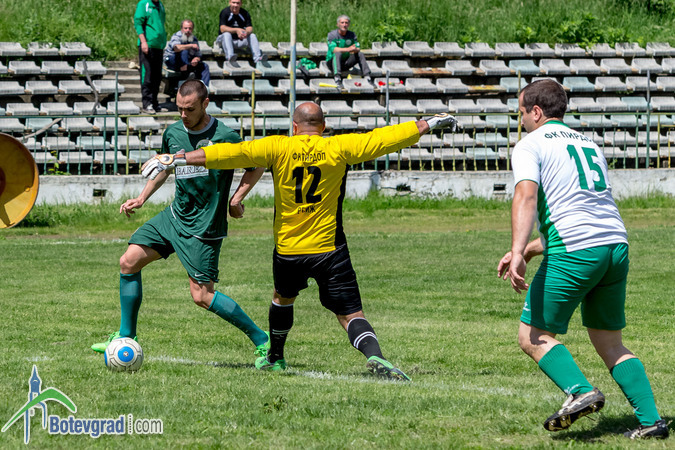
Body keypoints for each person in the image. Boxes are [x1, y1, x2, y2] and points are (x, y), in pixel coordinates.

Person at [141, 103, 458, 380]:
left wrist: (175, 159)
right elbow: (387, 138)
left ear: (294, 127)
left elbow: (226, 153)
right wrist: (428, 123)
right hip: (329, 249)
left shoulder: (277, 147)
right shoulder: (339, 147)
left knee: (282, 298)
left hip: (289, 250)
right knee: (351, 314)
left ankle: (275, 357)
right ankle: (376, 356)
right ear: (324, 126)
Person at [497, 79, 668, 440]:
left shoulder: (530, 144)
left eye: (521, 113)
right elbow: (582, 211)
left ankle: (579, 391)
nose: (521, 120)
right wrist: (528, 250)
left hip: (575, 250)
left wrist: (517, 248)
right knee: (610, 342)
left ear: (536, 112)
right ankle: (652, 422)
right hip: (614, 246)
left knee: (532, 335)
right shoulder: (588, 143)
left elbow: (526, 197)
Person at [91, 80, 269, 360]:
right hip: (175, 216)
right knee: (128, 262)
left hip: (204, 226)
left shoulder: (225, 136)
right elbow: (166, 167)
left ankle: (262, 339)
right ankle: (126, 335)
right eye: (180, 109)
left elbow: (256, 164)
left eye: (190, 109)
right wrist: (142, 197)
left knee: (202, 296)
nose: (184, 115)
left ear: (205, 104)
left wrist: (236, 199)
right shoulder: (173, 132)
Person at [134, 0, 167, 114]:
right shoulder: (144, 4)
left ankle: (154, 103)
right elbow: (138, 23)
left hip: (158, 46)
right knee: (147, 75)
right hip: (148, 45)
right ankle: (147, 103)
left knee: (157, 77)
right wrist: (143, 42)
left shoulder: (160, 5)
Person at [326, 15, 372, 90]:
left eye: (346, 23)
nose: (344, 25)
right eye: (342, 22)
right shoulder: (332, 35)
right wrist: (348, 49)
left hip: (346, 62)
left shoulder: (352, 35)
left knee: (360, 54)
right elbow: (334, 49)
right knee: (337, 53)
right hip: (332, 63)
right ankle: (337, 78)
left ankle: (367, 77)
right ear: (337, 24)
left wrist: (354, 49)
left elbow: (358, 48)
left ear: (349, 24)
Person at [164, 20, 211, 86]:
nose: (188, 30)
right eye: (185, 28)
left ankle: (204, 88)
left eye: (190, 28)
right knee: (184, 51)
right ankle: (185, 77)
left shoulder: (194, 39)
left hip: (186, 62)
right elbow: (176, 48)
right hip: (172, 60)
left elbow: (198, 54)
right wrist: (190, 45)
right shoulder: (177, 36)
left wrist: (196, 59)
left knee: (204, 66)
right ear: (182, 29)